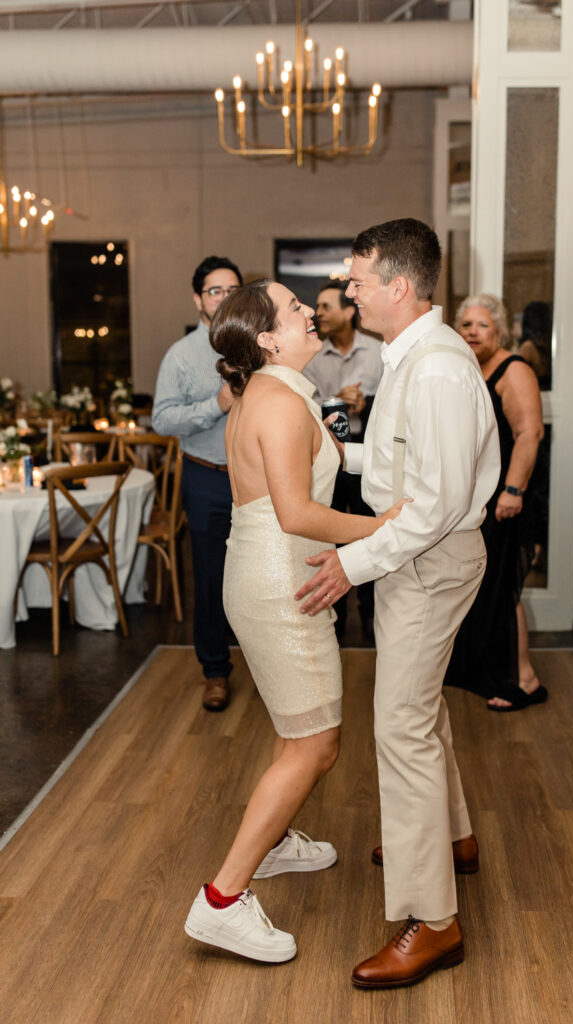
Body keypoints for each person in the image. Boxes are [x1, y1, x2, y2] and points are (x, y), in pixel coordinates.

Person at [295, 219, 500, 988]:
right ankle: (452, 838)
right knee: (418, 712)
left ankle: (433, 921)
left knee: (400, 728)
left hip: (426, 558)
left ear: (398, 287)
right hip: (413, 554)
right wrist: (325, 446)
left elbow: (435, 504)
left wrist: (351, 565)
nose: (348, 293)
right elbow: (396, 462)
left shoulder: (439, 368)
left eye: (356, 281)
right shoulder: (408, 356)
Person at [183, 279, 406, 963]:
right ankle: (221, 901)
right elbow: (296, 514)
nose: (311, 311)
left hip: (273, 577)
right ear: (267, 339)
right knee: (315, 745)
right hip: (284, 585)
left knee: (295, 731)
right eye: (294, 310)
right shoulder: (277, 403)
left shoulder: (271, 394)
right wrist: (383, 528)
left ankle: (275, 842)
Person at [443, 294, 546, 710]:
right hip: (474, 500)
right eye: (465, 324)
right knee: (478, 584)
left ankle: (525, 679)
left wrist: (513, 490)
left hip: (506, 498)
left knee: (505, 589)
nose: (471, 331)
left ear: (500, 330)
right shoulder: (467, 368)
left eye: (481, 325)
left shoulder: (513, 369)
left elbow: (529, 433)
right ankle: (482, 668)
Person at [152, 256, 241, 712]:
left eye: (231, 290)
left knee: (260, 573)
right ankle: (215, 671)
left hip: (258, 478)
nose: (223, 298)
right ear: (198, 299)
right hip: (206, 476)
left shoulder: (260, 345)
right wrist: (216, 403)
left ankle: (270, 664)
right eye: (214, 291)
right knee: (208, 577)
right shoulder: (181, 355)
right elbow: (162, 419)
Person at [304, 279, 383, 641]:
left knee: (369, 529)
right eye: (316, 308)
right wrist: (335, 399)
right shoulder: (312, 354)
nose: (317, 314)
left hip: (369, 452)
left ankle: (371, 613)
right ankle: (332, 616)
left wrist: (370, 403)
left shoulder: (379, 350)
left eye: (325, 307)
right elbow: (303, 407)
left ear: (349, 311)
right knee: (330, 533)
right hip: (326, 457)